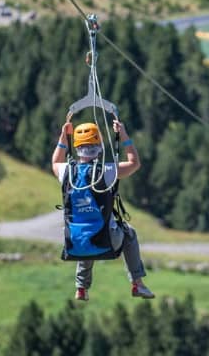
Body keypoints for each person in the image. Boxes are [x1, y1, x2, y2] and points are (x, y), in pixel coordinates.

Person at [51, 119, 154, 301]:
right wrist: (123, 134)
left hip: (74, 243)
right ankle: (137, 283)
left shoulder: (67, 171)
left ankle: (81, 288)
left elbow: (55, 162)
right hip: (107, 240)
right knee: (129, 234)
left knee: (85, 233)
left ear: (77, 147)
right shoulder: (107, 171)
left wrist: (63, 137)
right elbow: (134, 163)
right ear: (98, 145)